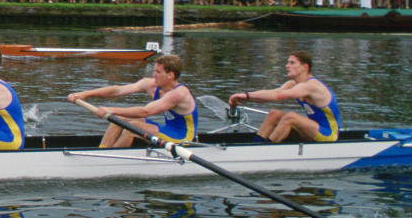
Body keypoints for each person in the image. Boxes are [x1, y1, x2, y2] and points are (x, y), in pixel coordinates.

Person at [68, 53, 197, 149]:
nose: (153, 75)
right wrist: (84, 94)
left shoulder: (179, 93)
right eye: (154, 71)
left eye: (158, 72)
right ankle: (102, 150)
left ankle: (110, 160)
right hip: (167, 129)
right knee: (119, 118)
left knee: (133, 127)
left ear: (171, 75)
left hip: (182, 138)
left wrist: (110, 110)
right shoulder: (151, 84)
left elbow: (145, 111)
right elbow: (117, 91)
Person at [228, 50, 339, 143]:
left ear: (305, 67)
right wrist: (243, 97)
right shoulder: (292, 84)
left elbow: (278, 96)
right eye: (288, 63)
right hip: (311, 132)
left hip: (328, 135)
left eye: (292, 63)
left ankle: (264, 151)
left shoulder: (312, 86)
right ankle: (255, 145)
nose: (287, 66)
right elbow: (272, 93)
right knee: (274, 114)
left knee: (290, 117)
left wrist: (246, 95)